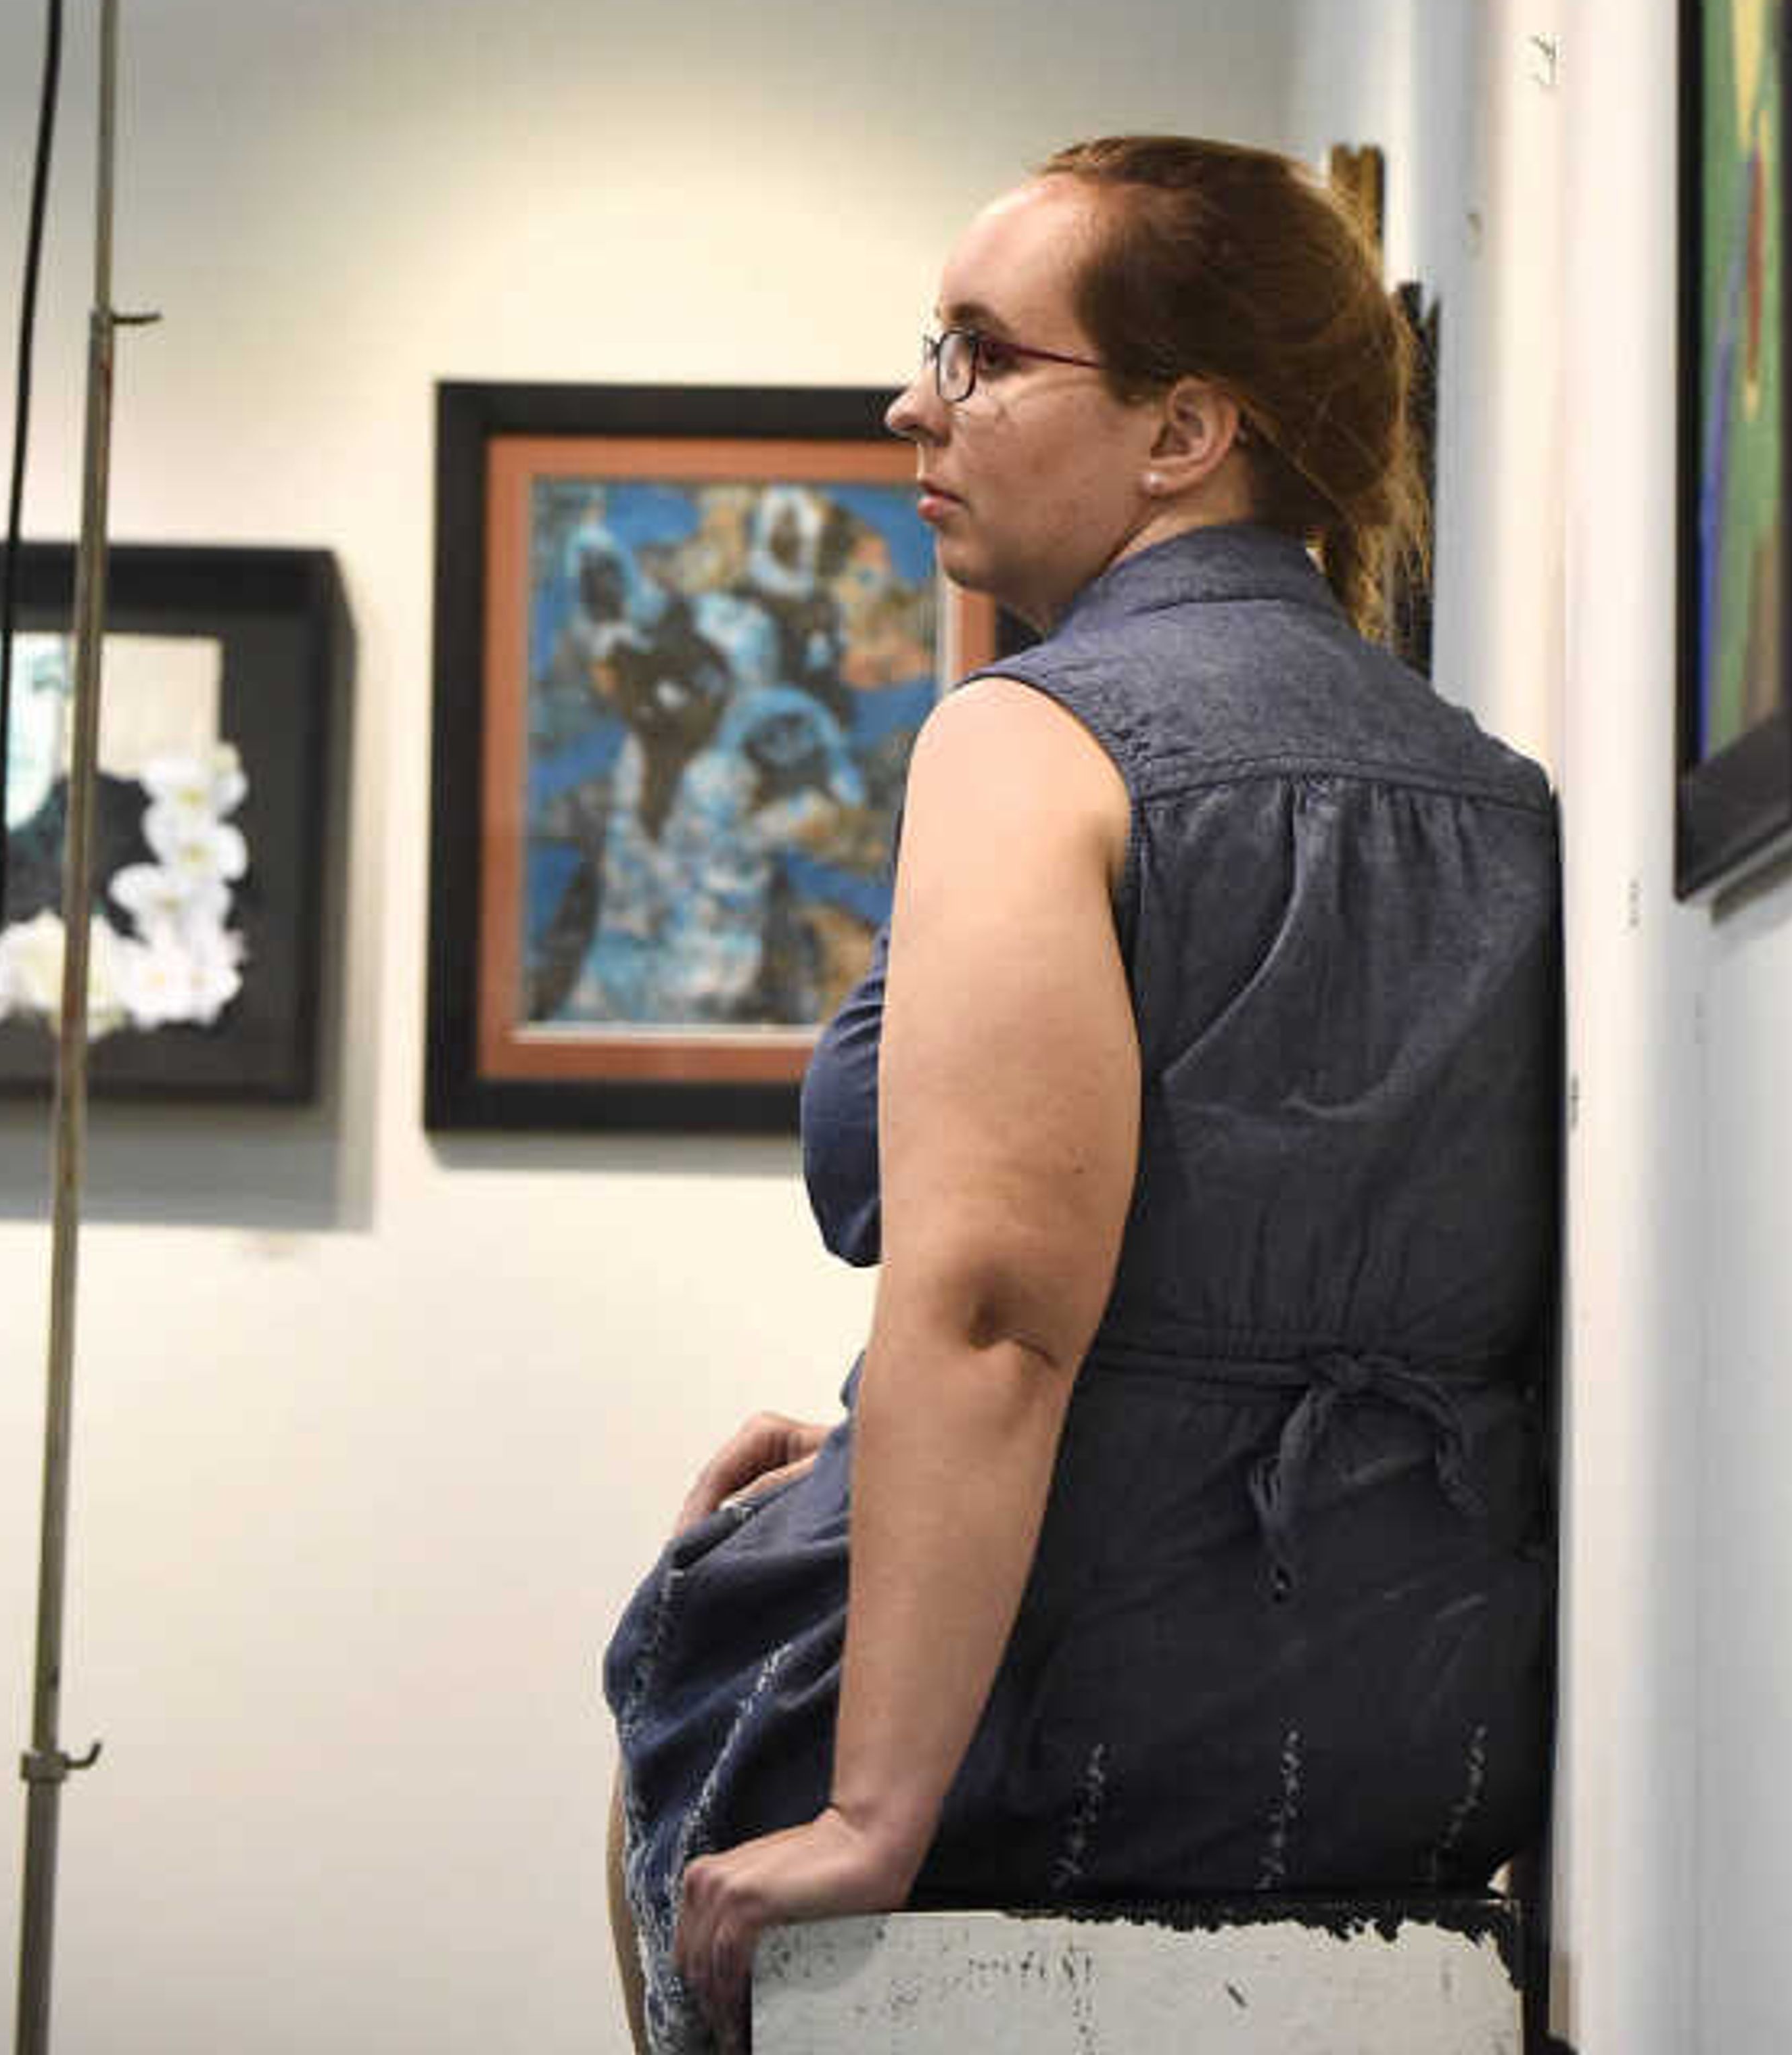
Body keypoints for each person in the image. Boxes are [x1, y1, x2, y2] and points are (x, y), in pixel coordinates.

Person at [603, 135, 1560, 2052]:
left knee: (692, 1648)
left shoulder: (1031, 743)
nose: (913, 401)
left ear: (1185, 425)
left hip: (1107, 1704)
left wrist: (873, 1817)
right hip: (1430, 1711)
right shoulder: (1492, 787)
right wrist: (870, 1458)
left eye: (977, 351)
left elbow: (991, 1315)